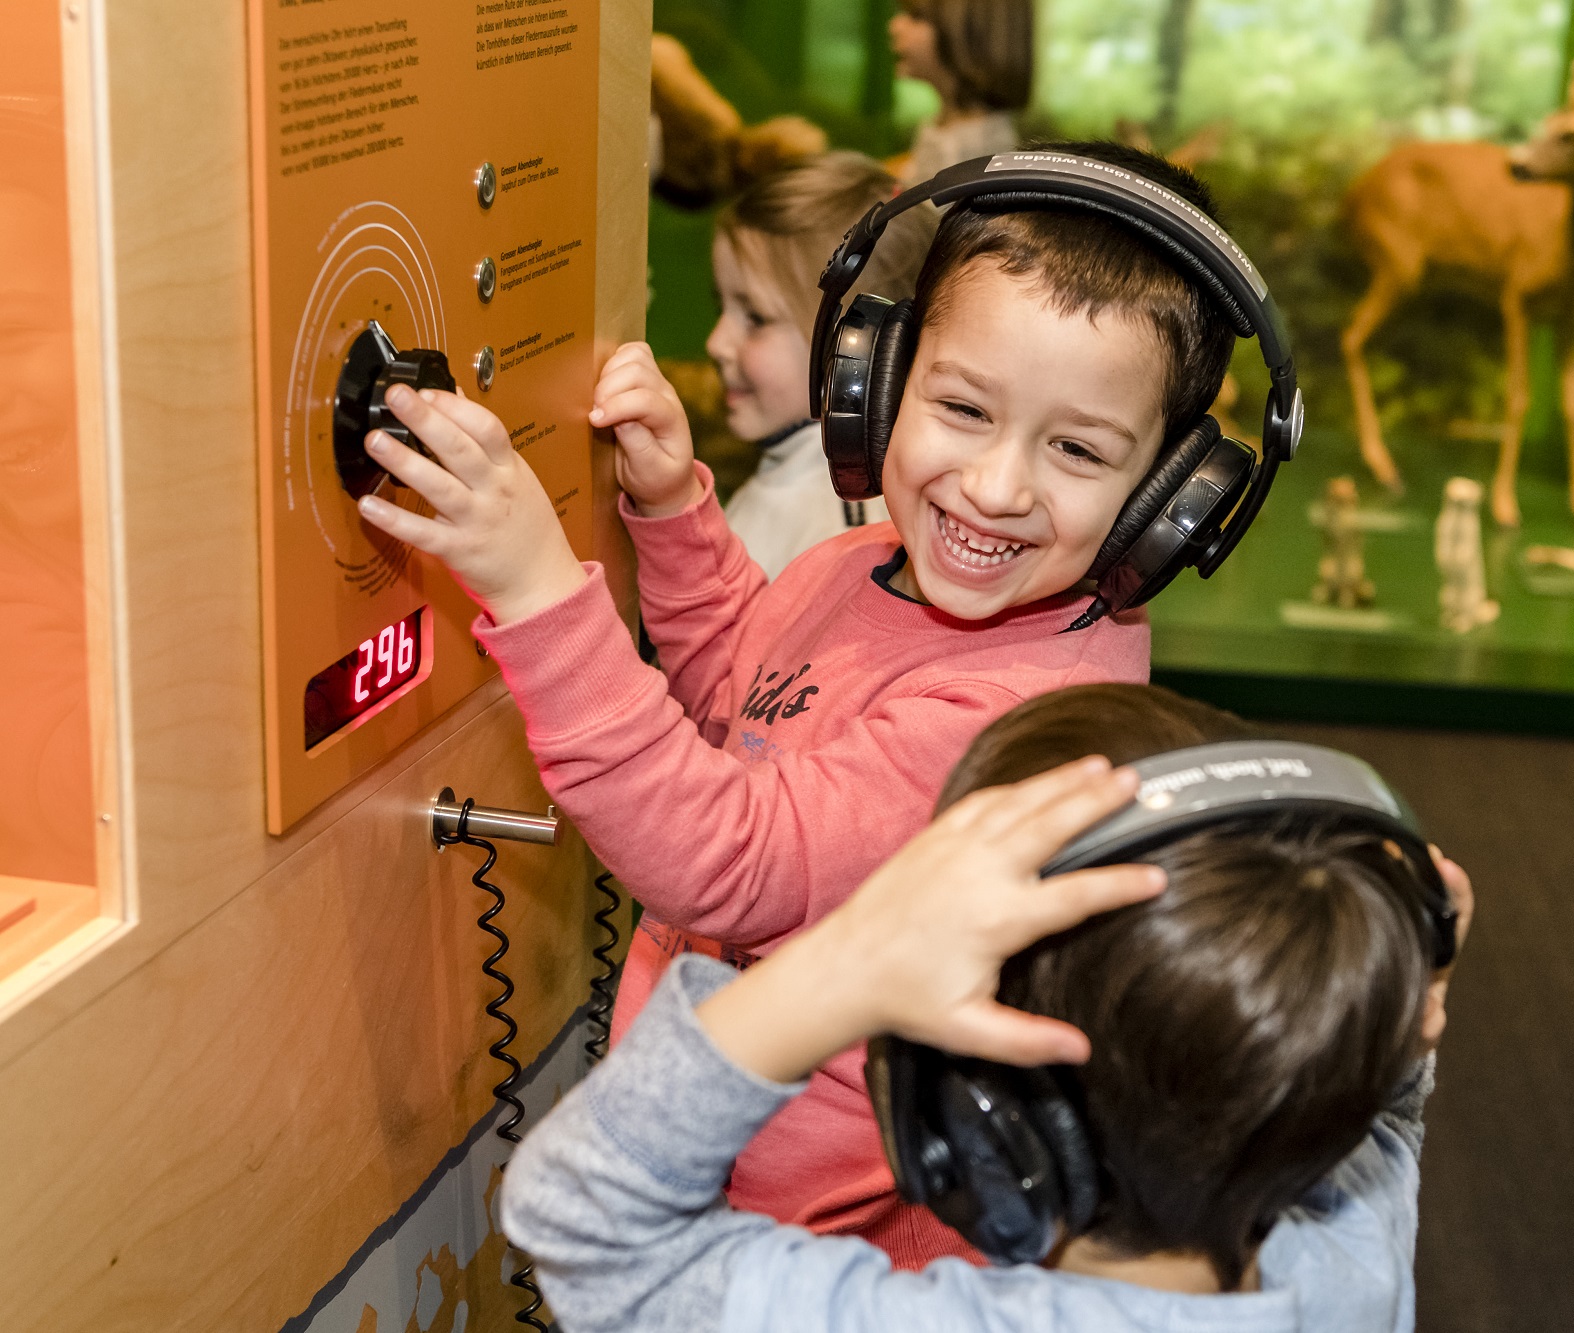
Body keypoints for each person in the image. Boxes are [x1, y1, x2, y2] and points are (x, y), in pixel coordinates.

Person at [353, 141, 1280, 1264]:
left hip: (796, 1252)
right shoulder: (864, 562)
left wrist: (539, 592)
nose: (995, 487)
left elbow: (729, 860)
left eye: (1077, 449)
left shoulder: (1025, 721)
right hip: (714, 1159)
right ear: (876, 380)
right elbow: (748, 698)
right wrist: (673, 513)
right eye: (963, 407)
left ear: (1171, 502)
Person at [499, 682, 1476, 1332]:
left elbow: (587, 1221)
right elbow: (1381, 1112)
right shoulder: (1350, 1255)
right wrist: (1390, 992)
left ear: (975, 1117)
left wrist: (855, 953)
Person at [707, 153, 932, 578]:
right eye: (721, 306)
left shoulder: (834, 535)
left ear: (862, 350)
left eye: (756, 318)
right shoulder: (792, 483)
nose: (715, 343)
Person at [888, 0, 1032, 185]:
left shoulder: (973, 151)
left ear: (971, 33)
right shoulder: (949, 127)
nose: (895, 26)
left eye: (916, 17)